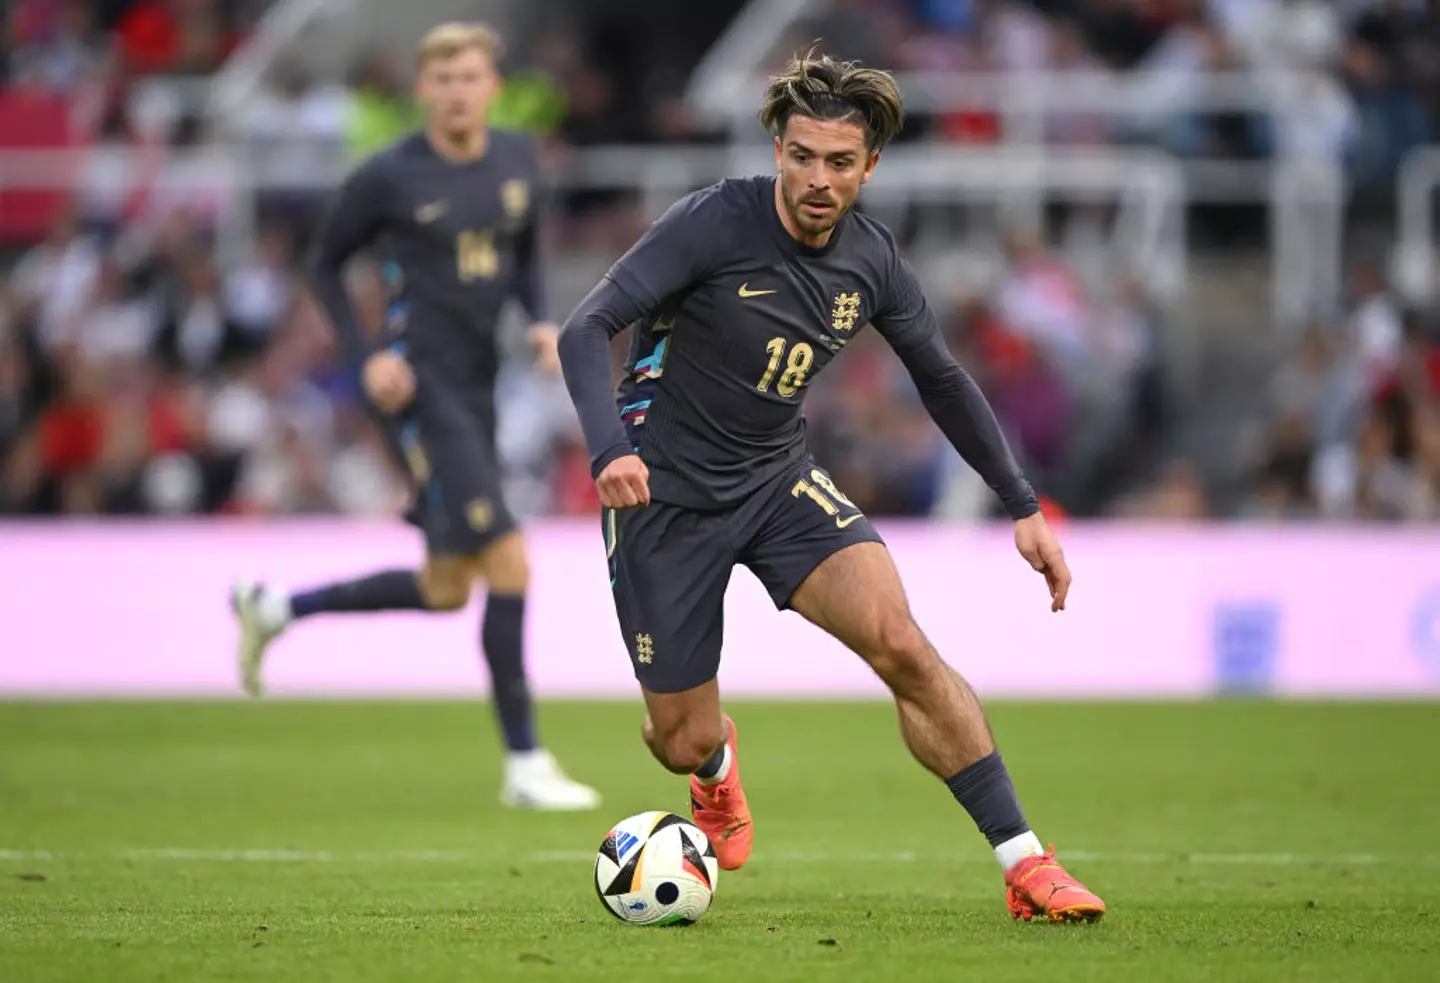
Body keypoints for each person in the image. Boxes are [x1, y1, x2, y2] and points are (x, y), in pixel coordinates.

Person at [556, 51, 1105, 920]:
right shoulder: (711, 222)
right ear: (778, 148)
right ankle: (716, 768)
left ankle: (1027, 863)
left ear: (870, 166)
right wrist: (608, 449)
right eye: (803, 155)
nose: (818, 178)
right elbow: (585, 329)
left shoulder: (873, 261)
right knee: (680, 737)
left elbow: (944, 380)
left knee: (903, 645)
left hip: (778, 483)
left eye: (839, 162)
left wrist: (1023, 506)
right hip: (661, 499)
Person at [231, 22, 600, 812]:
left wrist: (539, 320)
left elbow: (525, 252)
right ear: (423, 90)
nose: (459, 90)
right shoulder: (387, 177)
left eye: (471, 76)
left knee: (445, 587)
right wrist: (367, 353)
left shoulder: (517, 160)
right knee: (510, 559)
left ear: (492, 87)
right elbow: (324, 264)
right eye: (444, 78)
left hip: (477, 383)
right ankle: (526, 763)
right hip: (416, 387)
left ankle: (275, 608)